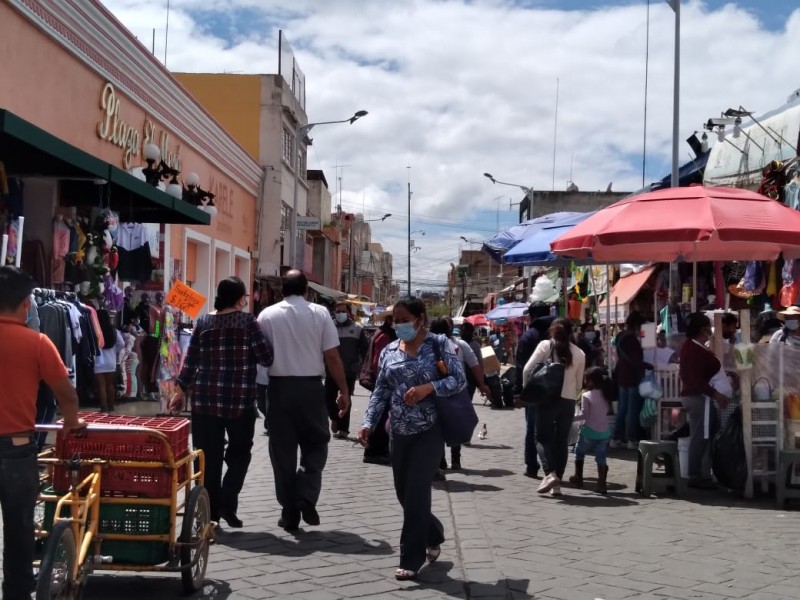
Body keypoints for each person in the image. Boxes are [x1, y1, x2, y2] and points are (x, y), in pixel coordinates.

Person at [358, 297, 465, 581]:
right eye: (395, 319)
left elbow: (459, 379)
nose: (398, 324)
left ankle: (411, 558)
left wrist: (428, 388)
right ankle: (434, 532)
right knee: (404, 494)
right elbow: (380, 390)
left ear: (420, 318)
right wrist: (368, 422)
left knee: (417, 492)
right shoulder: (390, 350)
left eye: (404, 319)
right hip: (399, 431)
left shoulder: (439, 344)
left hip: (430, 430)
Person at [0, 266, 86, 599]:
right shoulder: (37, 343)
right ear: (26, 304)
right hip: (17, 453)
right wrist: (72, 422)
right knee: (20, 533)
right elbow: (67, 394)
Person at [170, 276, 274, 528]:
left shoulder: (204, 321)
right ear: (239, 299)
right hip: (240, 400)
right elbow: (266, 357)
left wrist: (180, 390)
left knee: (206, 458)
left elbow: (191, 360)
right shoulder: (248, 322)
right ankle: (227, 502)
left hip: (205, 400)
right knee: (240, 454)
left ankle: (209, 512)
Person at [257, 270, 350, 532]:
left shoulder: (266, 315)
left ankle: (289, 511)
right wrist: (343, 390)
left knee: (282, 452)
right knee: (317, 443)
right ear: (307, 290)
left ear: (280, 290)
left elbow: (260, 356)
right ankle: (306, 493)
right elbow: (332, 356)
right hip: (311, 388)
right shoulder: (320, 314)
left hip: (278, 388)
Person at [522, 318, 585, 497]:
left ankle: (550, 474)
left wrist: (529, 391)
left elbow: (527, 369)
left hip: (547, 399)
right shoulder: (579, 353)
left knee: (541, 438)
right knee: (561, 441)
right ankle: (557, 485)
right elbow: (580, 384)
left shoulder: (545, 346)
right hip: (568, 402)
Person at [430, 317, 490, 471]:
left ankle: (441, 461)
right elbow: (475, 365)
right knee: (455, 423)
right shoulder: (459, 345)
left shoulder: (426, 345)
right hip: (457, 390)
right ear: (449, 329)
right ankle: (454, 460)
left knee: (437, 426)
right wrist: (482, 385)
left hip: (434, 391)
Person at [679, 312, 731, 490]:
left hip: (701, 396)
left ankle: (705, 472)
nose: (711, 330)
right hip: (697, 397)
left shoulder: (695, 347)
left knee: (707, 434)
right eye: (708, 327)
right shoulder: (692, 350)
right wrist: (716, 394)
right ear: (703, 329)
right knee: (699, 436)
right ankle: (695, 475)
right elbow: (696, 380)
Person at [514, 301, 555, 479]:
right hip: (557, 388)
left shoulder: (528, 336)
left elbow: (521, 366)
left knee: (532, 429)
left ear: (531, 316)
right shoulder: (559, 334)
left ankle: (532, 466)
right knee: (553, 429)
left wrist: (519, 392)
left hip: (534, 388)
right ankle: (554, 467)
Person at [569, 367, 614, 495]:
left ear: (591, 381)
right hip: (604, 432)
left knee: (579, 452)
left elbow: (584, 415)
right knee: (601, 457)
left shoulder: (586, 396)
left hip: (588, 432)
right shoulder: (607, 394)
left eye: (586, 379)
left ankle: (578, 477)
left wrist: (570, 418)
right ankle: (602, 484)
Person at [327, 301, 369, 439]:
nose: (340, 314)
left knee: (346, 399)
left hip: (349, 371)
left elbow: (365, 350)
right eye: (337, 311)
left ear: (348, 313)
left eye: (343, 311)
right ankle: (334, 417)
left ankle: (343, 429)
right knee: (327, 397)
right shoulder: (328, 327)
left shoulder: (357, 329)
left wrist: (361, 367)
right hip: (330, 370)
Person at [610, 311, 652, 450]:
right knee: (632, 410)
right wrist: (648, 365)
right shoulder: (632, 339)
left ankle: (616, 438)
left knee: (622, 409)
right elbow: (636, 360)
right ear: (636, 325)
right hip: (633, 377)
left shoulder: (620, 336)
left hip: (622, 376)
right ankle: (632, 440)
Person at [363, 314, 397, 465]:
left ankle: (378, 449)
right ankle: (374, 451)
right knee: (381, 416)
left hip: (383, 382)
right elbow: (379, 361)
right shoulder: (384, 335)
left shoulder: (384, 333)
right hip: (383, 383)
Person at [94, 309, 125, 412]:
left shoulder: (95, 330)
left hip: (98, 361)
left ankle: (103, 407)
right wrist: (114, 351)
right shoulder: (113, 330)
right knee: (110, 384)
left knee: (101, 385)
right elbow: (122, 344)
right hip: (111, 360)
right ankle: (111, 406)